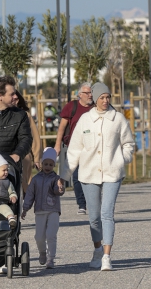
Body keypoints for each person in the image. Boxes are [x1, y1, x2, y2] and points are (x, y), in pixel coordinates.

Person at [66, 82, 135, 271]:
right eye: (102, 97)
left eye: (108, 97)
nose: (105, 101)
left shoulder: (118, 119)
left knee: (107, 214)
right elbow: (74, 150)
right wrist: (64, 175)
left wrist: (123, 158)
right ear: (95, 99)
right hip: (88, 173)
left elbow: (129, 143)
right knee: (94, 217)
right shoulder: (85, 120)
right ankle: (97, 249)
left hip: (113, 171)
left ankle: (106, 256)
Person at [21, 147, 66, 269]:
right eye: (45, 164)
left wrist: (61, 188)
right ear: (41, 164)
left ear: (54, 165)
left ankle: (51, 258)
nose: (48, 166)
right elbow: (30, 195)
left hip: (53, 210)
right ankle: (42, 252)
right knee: (39, 237)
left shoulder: (56, 179)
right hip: (40, 211)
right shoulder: (36, 179)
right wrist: (25, 209)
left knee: (51, 234)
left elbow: (58, 191)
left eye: (51, 165)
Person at [55, 82, 94, 215]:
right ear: (80, 95)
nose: (90, 95)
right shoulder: (72, 106)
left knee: (93, 176)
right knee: (77, 176)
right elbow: (61, 128)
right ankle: (82, 204)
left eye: (91, 92)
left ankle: (94, 202)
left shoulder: (96, 107)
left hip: (93, 147)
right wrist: (57, 145)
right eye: (87, 93)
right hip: (75, 147)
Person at [14, 90, 42, 195]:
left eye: (17, 99)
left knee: (24, 186)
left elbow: (34, 137)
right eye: (13, 98)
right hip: (5, 154)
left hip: (24, 155)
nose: (15, 101)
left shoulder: (26, 115)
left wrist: (37, 158)